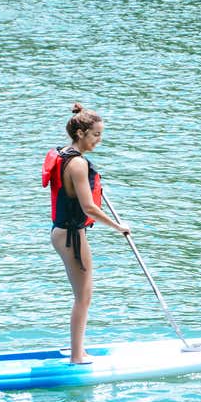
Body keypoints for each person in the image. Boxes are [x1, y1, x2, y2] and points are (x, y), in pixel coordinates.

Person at [42, 103, 131, 364]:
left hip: (62, 232)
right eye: (96, 135)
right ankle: (77, 357)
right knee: (84, 297)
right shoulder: (78, 164)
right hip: (71, 236)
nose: (99, 140)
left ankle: (78, 350)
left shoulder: (64, 154)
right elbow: (88, 207)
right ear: (80, 133)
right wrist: (119, 226)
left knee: (83, 295)